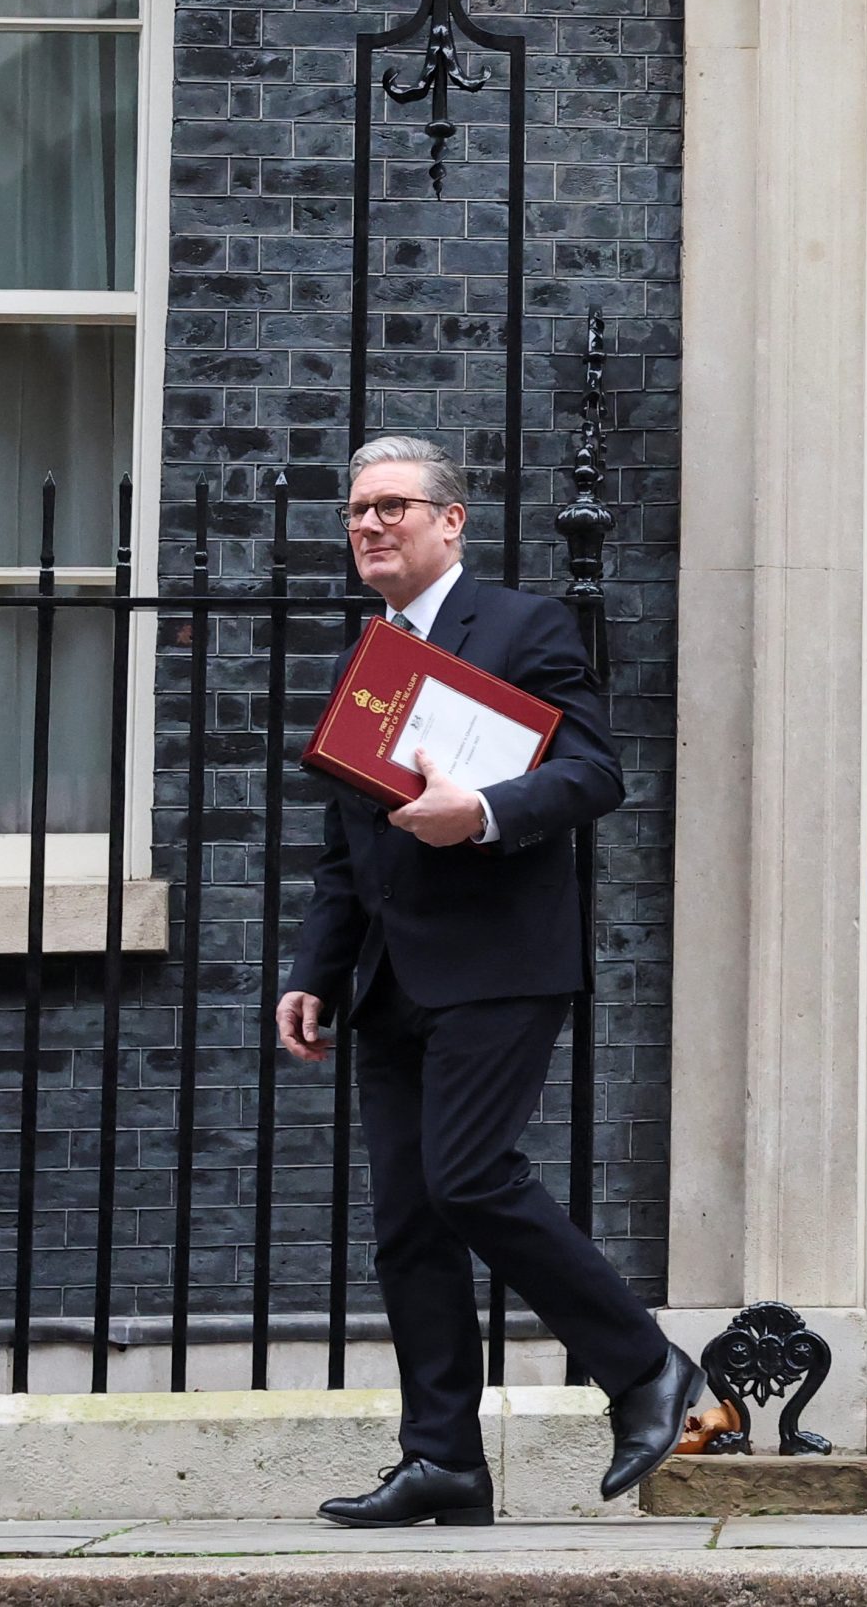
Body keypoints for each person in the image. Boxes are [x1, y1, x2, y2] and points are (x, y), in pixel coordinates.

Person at [277, 437, 700, 1529]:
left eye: (394, 507)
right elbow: (345, 848)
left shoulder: (522, 626)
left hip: (501, 962)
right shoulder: (362, 659)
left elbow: (594, 770)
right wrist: (316, 971)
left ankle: (647, 1367)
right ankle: (444, 1459)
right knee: (409, 1223)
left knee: (468, 1176)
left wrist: (486, 812)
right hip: (390, 976)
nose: (371, 524)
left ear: (450, 520)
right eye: (358, 509)